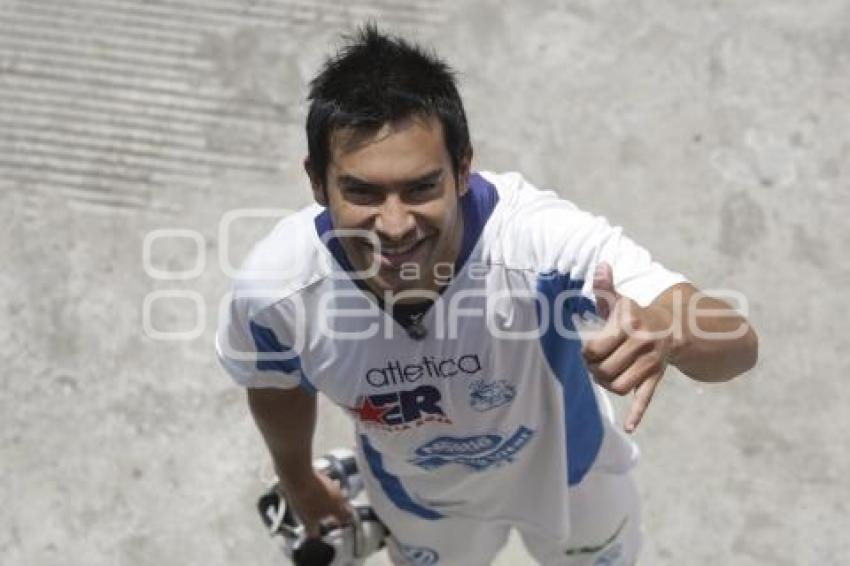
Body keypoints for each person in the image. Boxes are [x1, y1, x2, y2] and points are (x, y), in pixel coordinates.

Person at [216, 24, 758, 566]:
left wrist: (670, 330)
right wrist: (300, 483)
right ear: (317, 182)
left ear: (462, 169)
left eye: (422, 186)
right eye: (361, 191)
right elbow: (275, 384)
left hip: (576, 475)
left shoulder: (537, 243)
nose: (396, 225)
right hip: (421, 503)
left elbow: (737, 345)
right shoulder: (274, 294)